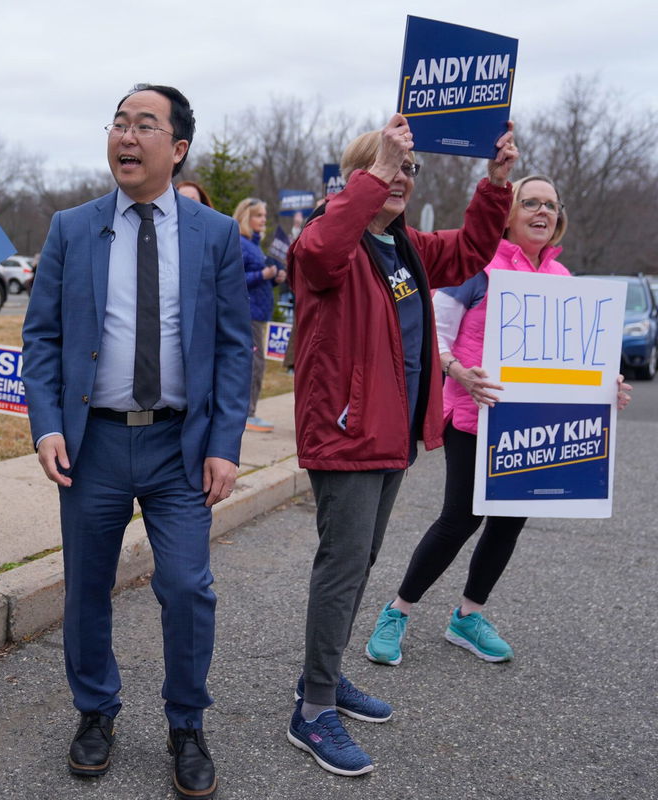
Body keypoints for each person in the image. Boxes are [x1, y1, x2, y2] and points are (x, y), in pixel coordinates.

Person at [22, 83, 250, 800]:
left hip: (180, 446)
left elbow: (235, 347)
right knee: (87, 586)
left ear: (177, 149)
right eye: (119, 122)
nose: (126, 135)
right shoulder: (71, 227)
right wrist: (48, 424)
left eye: (144, 125)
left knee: (187, 586)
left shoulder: (214, 235)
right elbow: (42, 337)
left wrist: (226, 442)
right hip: (94, 445)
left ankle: (187, 723)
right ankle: (96, 711)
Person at [284, 112, 518, 777]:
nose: (401, 179)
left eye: (409, 170)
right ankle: (314, 712)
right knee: (343, 565)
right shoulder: (326, 241)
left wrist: (495, 183)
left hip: (392, 438)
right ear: (362, 173)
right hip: (346, 433)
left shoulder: (406, 247)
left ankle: (318, 680)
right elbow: (325, 252)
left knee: (360, 564)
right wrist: (378, 167)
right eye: (388, 166)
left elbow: (472, 250)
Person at [364, 175, 633, 667]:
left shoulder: (564, 280)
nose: (541, 211)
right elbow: (433, 333)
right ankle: (397, 611)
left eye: (550, 204)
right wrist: (458, 373)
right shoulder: (478, 268)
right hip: (473, 414)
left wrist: (606, 386)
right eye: (529, 201)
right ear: (507, 214)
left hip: (533, 422)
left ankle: (468, 616)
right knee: (460, 518)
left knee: (509, 521)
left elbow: (578, 357)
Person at [231, 197, 285, 431]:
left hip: (259, 314)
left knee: (257, 363)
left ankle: (249, 411)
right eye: (258, 215)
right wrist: (263, 275)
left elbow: (259, 279)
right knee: (254, 364)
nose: (264, 220)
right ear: (246, 216)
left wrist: (273, 278)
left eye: (264, 215)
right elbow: (235, 280)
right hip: (247, 314)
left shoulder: (254, 245)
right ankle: (247, 414)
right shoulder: (240, 244)